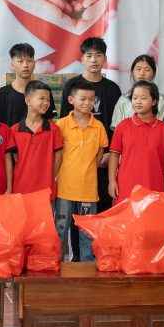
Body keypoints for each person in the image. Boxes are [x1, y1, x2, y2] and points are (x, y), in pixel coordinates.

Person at [60, 37, 121, 211]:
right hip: (76, 159)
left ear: (105, 59)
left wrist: (111, 153)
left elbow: (117, 125)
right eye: (89, 55)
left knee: (101, 204)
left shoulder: (113, 89)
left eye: (98, 55)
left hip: (104, 156)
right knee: (71, 209)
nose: (94, 60)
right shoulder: (71, 85)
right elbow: (65, 121)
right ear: (82, 59)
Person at [54, 81, 109, 262]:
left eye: (91, 99)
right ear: (71, 100)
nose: (87, 103)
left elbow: (99, 155)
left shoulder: (98, 127)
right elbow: (56, 155)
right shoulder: (61, 125)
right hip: (64, 188)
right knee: (61, 228)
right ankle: (57, 262)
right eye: (82, 99)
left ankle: (87, 264)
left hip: (88, 189)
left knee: (87, 230)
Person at [108, 81, 164, 201]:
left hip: (154, 186)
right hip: (126, 187)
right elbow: (114, 155)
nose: (138, 102)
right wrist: (112, 181)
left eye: (143, 98)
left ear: (154, 101)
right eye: (135, 98)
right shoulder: (123, 126)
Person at [10, 80, 64, 197]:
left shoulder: (53, 129)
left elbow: (58, 157)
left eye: (48, 100)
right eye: (42, 98)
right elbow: (14, 159)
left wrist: (48, 177)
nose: (46, 103)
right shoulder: (14, 130)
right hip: (20, 190)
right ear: (28, 100)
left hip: (45, 191)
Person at [111, 54, 164, 127]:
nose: (142, 73)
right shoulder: (123, 99)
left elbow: (160, 126)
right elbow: (117, 128)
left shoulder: (160, 99)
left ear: (154, 74)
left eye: (147, 70)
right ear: (132, 72)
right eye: (138, 69)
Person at [0, 43, 43, 125]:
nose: (25, 65)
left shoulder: (43, 92)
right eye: (20, 61)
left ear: (34, 63)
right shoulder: (2, 94)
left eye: (29, 61)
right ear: (12, 65)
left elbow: (49, 121)